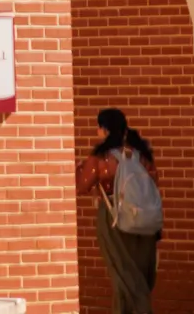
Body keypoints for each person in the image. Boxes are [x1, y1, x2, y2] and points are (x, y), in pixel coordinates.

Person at [77, 106, 163, 314]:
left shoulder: (102, 157)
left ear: (105, 129)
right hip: (145, 220)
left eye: (99, 127)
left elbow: (81, 185)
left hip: (114, 218)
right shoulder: (142, 155)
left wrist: (79, 168)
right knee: (138, 273)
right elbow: (154, 183)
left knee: (123, 273)